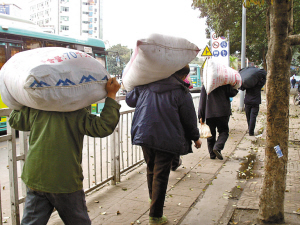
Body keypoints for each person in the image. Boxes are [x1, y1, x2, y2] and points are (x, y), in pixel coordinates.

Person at [9, 77, 121, 225]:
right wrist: (111, 95)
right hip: (65, 179)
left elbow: (15, 120)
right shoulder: (77, 112)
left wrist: (22, 98)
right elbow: (103, 126)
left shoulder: (36, 107)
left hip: (35, 177)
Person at [126, 65, 201, 225]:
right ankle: (155, 216)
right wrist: (196, 138)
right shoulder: (181, 91)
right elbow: (189, 118)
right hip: (167, 137)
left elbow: (130, 100)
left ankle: (153, 200)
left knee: (151, 168)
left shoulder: (147, 84)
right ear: (183, 76)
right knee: (160, 174)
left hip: (145, 134)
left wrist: (139, 81)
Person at [198, 84, 238, 160]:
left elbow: (202, 100)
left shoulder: (207, 84)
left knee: (211, 134)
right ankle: (217, 147)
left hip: (210, 112)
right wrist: (235, 87)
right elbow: (232, 93)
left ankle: (212, 155)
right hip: (223, 112)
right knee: (224, 131)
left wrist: (201, 115)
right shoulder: (224, 83)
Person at [240, 70, 266, 136]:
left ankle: (250, 129)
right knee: (253, 117)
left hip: (247, 101)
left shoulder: (248, 84)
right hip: (255, 102)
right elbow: (264, 80)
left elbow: (241, 87)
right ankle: (251, 132)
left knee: (248, 117)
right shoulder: (259, 84)